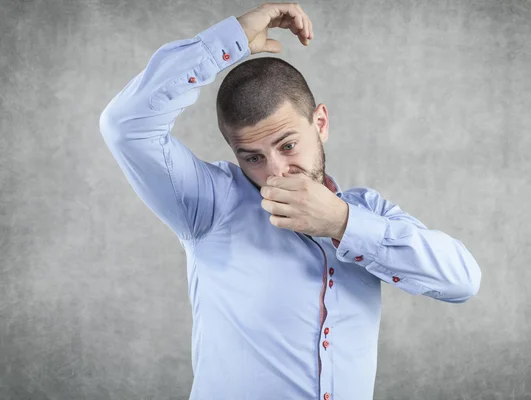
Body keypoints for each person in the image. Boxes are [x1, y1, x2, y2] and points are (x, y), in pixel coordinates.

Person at [99, 3, 482, 399]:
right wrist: (225, 42)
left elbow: (462, 281)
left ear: (320, 124)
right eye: (253, 157)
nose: (277, 171)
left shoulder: (368, 211)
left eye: (288, 145)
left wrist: (341, 223)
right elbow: (125, 126)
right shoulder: (211, 204)